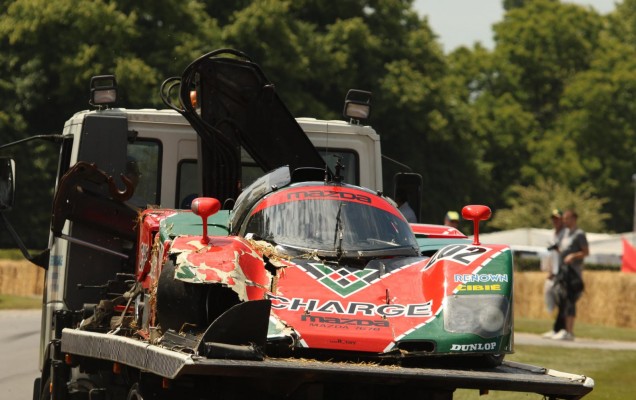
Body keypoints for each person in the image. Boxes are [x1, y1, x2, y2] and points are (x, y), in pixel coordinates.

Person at [551, 209, 589, 341]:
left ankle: (569, 331)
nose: (564, 221)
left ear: (574, 219)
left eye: (567, 218)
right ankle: (563, 329)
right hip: (563, 272)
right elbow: (564, 252)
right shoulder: (566, 234)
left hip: (573, 273)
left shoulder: (579, 234)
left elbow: (585, 252)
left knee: (570, 301)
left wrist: (573, 256)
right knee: (562, 300)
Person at [541, 209, 565, 337]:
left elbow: (566, 253)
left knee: (563, 302)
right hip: (554, 272)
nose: (555, 221)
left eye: (558, 218)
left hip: (564, 273)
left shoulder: (566, 234)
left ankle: (561, 330)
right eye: (554, 219)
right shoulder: (552, 234)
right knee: (554, 300)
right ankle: (557, 329)